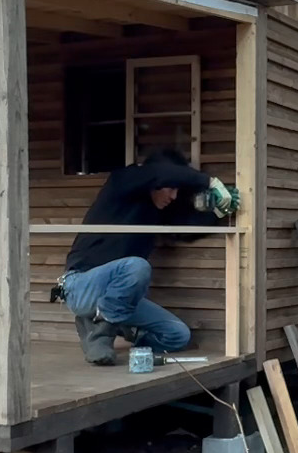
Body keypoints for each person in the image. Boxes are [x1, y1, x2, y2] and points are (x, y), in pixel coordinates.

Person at [51, 149, 236, 365]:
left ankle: (103, 326)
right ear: (155, 181)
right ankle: (100, 335)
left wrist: (218, 212)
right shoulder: (122, 181)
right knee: (137, 266)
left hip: (119, 298)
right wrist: (210, 182)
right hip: (80, 285)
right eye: (171, 188)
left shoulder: (156, 210)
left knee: (177, 335)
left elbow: (184, 231)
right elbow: (159, 173)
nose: (174, 196)